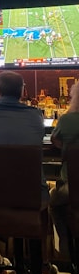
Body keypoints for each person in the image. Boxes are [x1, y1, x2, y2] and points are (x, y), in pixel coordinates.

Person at [0, 71, 58, 274]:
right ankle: (43, 264)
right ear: (23, 92)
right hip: (30, 199)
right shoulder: (36, 115)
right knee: (44, 199)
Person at [50, 80, 79, 257]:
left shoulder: (67, 119)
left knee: (53, 200)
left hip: (72, 187)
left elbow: (55, 140)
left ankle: (65, 245)